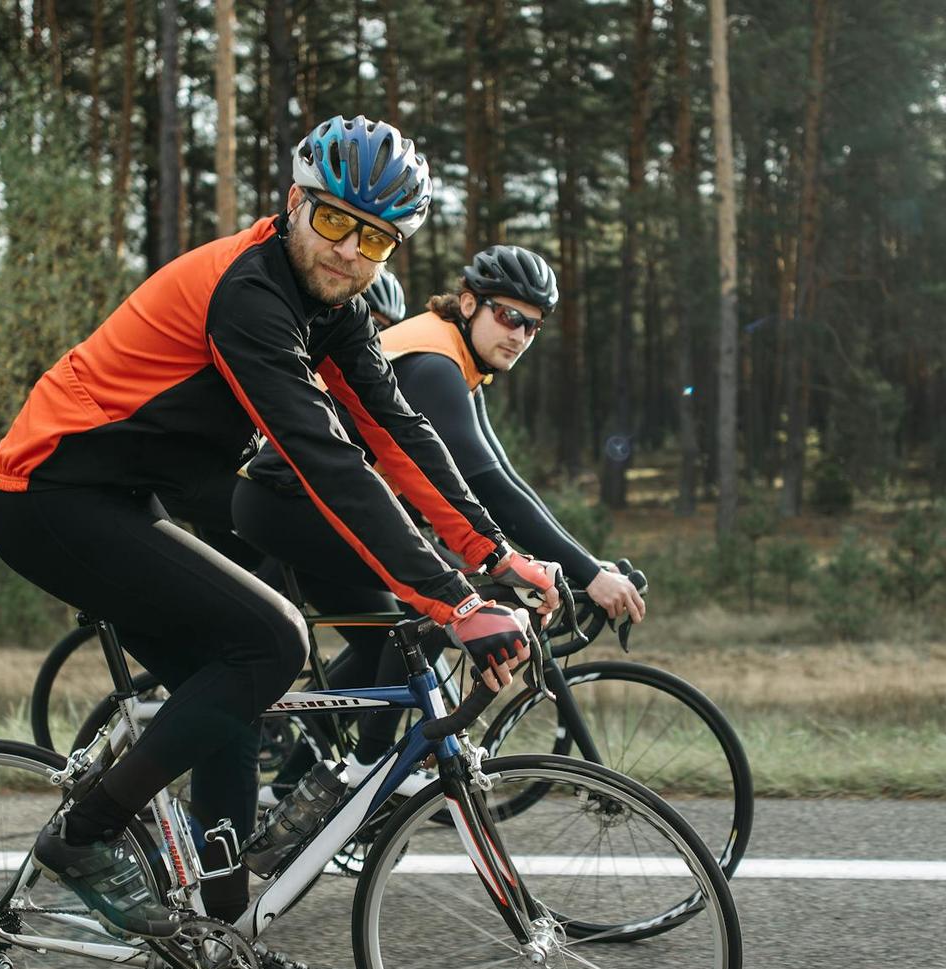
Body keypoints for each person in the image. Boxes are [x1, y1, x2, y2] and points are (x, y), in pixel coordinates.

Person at [0, 115, 558, 969]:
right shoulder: (249, 295)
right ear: (295, 202)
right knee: (273, 642)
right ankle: (86, 834)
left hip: (123, 497)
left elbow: (396, 433)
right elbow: (326, 457)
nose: (348, 251)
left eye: (375, 237)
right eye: (334, 221)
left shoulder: (339, 309)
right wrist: (453, 600)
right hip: (49, 493)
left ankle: (218, 946)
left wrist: (495, 554)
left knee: (240, 690)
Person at [234, 244, 642, 789]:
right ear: (469, 303)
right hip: (287, 503)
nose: (519, 335)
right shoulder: (432, 363)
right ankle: (368, 766)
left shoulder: (456, 360)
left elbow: (504, 477)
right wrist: (589, 574)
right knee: (439, 601)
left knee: (386, 642)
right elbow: (487, 484)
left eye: (533, 326)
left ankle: (295, 786)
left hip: (308, 504)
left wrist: (578, 563)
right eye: (508, 316)